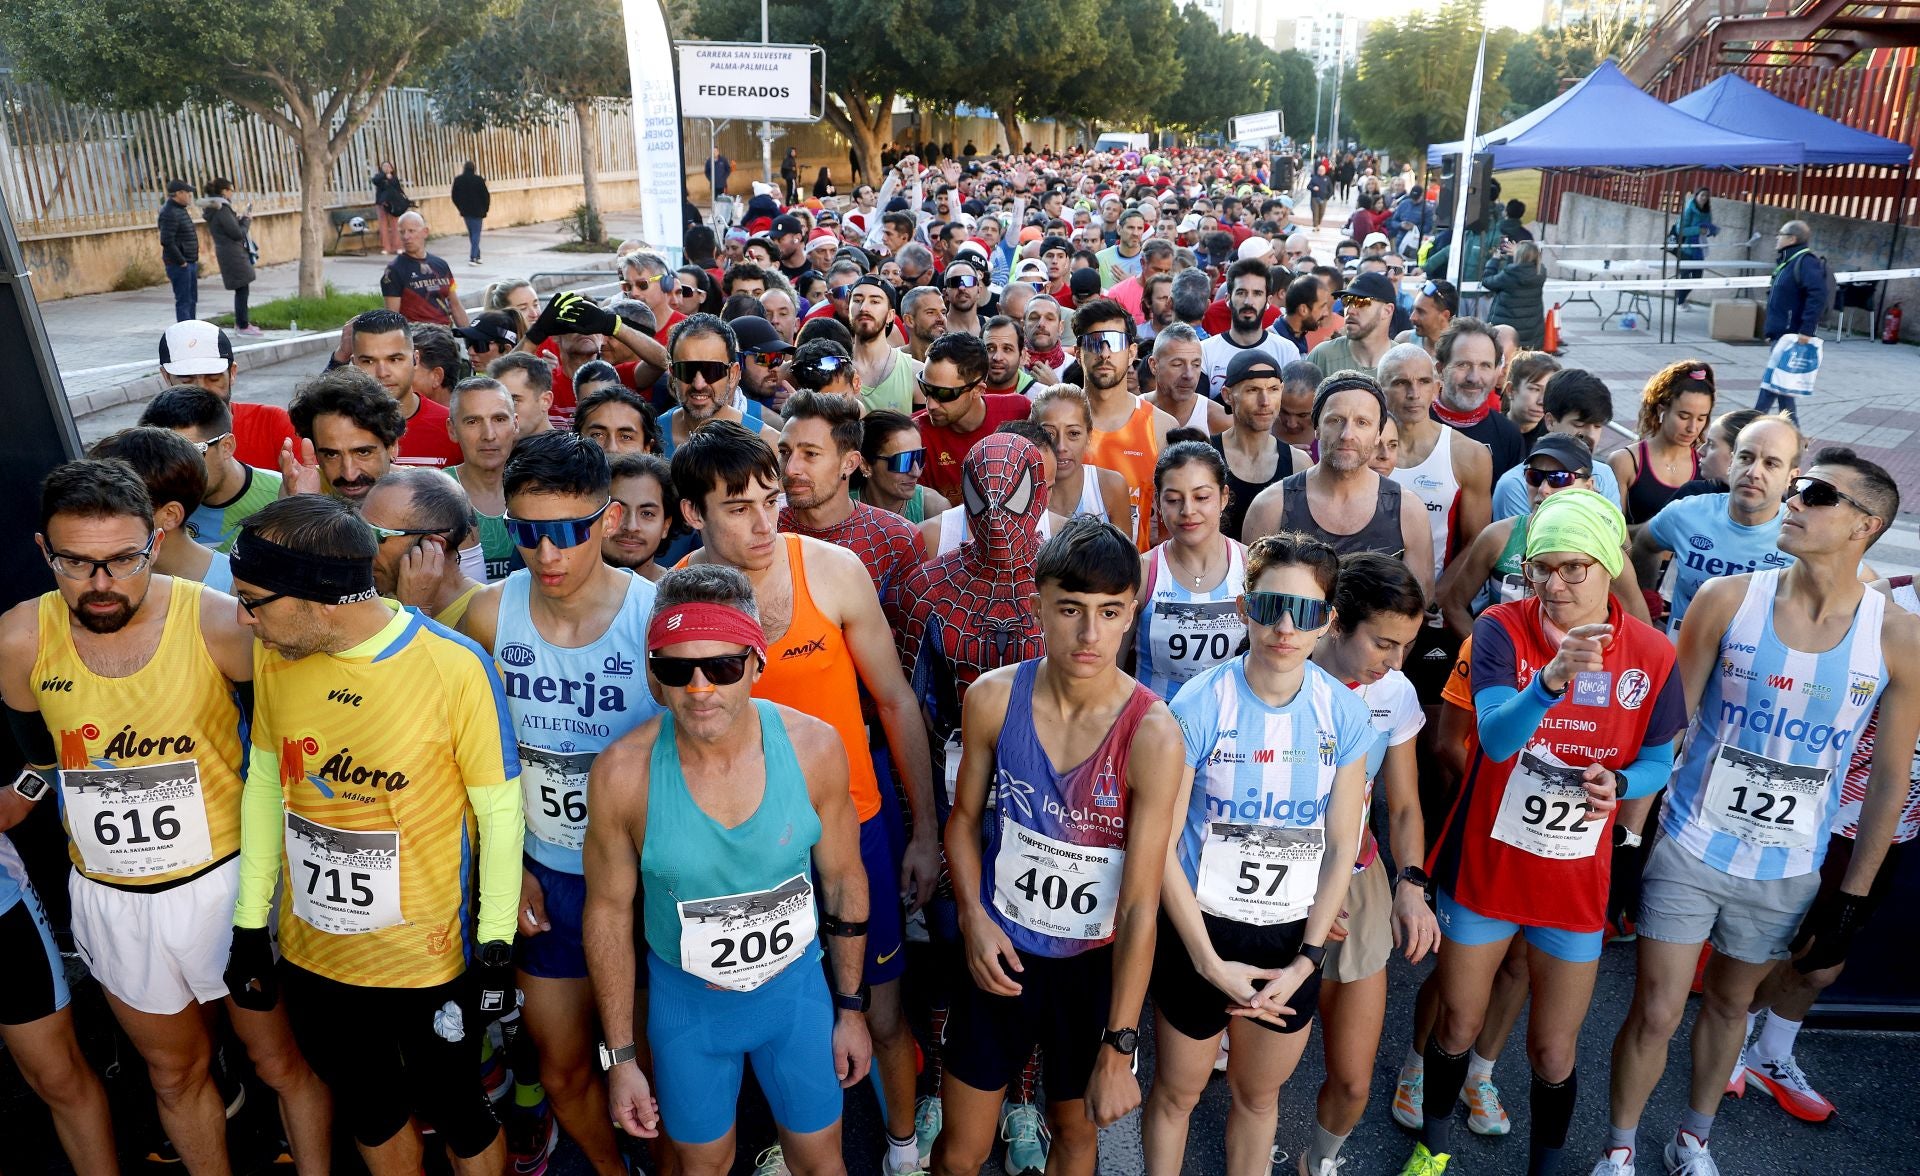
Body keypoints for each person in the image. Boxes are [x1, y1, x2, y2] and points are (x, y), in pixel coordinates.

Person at [2, 460, 332, 1174]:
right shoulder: (21, 639)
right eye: (76, 563)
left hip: (226, 888)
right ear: (42, 551)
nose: (100, 584)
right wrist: (30, 784)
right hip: (113, 898)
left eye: (122, 560)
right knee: (173, 1075)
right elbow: (35, 739)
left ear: (155, 541)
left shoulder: (216, 620)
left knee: (279, 1062)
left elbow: (302, 727)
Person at [1597, 450, 1920, 1176]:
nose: (1794, 500)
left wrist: (1850, 901)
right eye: (1797, 486)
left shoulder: (1897, 637)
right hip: (1690, 842)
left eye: (1817, 493)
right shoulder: (1726, 599)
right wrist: (1628, 838)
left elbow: (1889, 780)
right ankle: (1618, 1149)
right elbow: (1665, 730)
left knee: (1727, 1009)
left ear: (1864, 527)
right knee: (1656, 1009)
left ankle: (1693, 1140)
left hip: (1788, 868)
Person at [222, 494, 519, 1175]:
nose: (244, 619)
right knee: (372, 1108)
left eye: (254, 600)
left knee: (459, 1113)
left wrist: (496, 946)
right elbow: (268, 786)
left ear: (321, 597)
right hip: (315, 951)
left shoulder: (454, 665)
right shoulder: (277, 652)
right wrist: (248, 927)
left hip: (427, 957)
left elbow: (501, 816)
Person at [675, 422, 941, 1176]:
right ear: (694, 515)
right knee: (766, 1009)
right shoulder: (679, 598)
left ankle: (899, 1146)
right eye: (738, 508)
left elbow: (894, 701)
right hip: (754, 848)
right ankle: (783, 1145)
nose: (765, 524)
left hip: (855, 825)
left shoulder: (832, 570)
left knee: (883, 1008)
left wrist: (921, 831)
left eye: (770, 499)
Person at [1403, 489, 1687, 1176]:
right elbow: (1495, 741)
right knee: (1458, 1025)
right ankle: (1431, 1151)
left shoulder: (1650, 651)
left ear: (1606, 562)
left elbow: (1658, 758)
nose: (1554, 586)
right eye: (1540, 569)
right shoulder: (1502, 627)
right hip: (1489, 868)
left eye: (1573, 569)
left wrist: (1620, 786)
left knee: (1554, 1051)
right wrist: (1550, 683)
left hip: (1574, 881)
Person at [583, 564, 870, 1173]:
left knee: (822, 1163)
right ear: (653, 676)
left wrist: (851, 1008)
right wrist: (621, 1059)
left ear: (757, 663)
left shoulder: (815, 748)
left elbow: (844, 880)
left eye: (721, 667)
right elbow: (607, 914)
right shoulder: (622, 773)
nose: (700, 688)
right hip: (688, 1014)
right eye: (675, 669)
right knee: (702, 1168)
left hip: (796, 1000)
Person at [935, 517, 1183, 1176]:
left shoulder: (1154, 736)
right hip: (1002, 950)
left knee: (1076, 1136)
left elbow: (1139, 907)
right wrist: (972, 918)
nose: (1089, 634)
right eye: (1070, 609)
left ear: (1133, 612)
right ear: (1038, 601)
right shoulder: (992, 699)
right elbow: (962, 822)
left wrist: (1120, 1045)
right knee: (961, 1151)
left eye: (1109, 612)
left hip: (1089, 970)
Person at [448, 433, 661, 1176]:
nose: (549, 554)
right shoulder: (481, 616)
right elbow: (453, 755)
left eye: (570, 531)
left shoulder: (655, 615)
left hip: (645, 882)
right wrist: (503, 867)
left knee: (645, 1064)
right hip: (545, 879)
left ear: (606, 519)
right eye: (529, 533)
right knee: (566, 1067)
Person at [1139, 531, 1373, 1176]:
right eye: (1270, 608)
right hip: (1199, 929)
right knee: (1179, 1094)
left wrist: (1307, 960)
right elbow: (1156, 843)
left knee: (1258, 1094)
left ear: (1326, 621)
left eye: (1304, 612)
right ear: (1245, 607)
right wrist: (1208, 961)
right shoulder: (1198, 703)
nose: (1284, 628)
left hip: (1287, 943)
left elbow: (1338, 848)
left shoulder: (1342, 714)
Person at [1735, 572, 1920, 1123]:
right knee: (1792, 946)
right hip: (1834, 817)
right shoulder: (1888, 602)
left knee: (1825, 964)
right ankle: (1730, 1041)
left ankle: (1772, 1054)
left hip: (1898, 829)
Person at [1299, 553, 1441, 1176]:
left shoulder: (1395, 692)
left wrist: (1412, 884)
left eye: (1407, 646)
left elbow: (1404, 805)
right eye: (1383, 643)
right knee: (1254, 1079)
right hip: (1269, 886)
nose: (1395, 661)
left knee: (1353, 1080)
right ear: (1335, 623)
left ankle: (1317, 1162)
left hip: (1358, 884)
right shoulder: (1285, 673)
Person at [1241, 372, 1433, 594]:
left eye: (1362, 422)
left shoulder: (1407, 510)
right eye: (1335, 420)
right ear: (1317, 427)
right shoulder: (1271, 506)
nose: (1347, 434)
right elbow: (1252, 599)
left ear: (1378, 433)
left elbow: (1420, 599)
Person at [1629, 414, 1802, 636]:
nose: (1753, 472)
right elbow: (1645, 543)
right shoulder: (1687, 512)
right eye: (1746, 458)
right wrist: (1644, 602)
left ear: (1792, 477)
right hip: (1681, 659)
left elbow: (1855, 580)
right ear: (1732, 463)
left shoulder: (1804, 532)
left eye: (1771, 464)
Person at [777, 390, 922, 612]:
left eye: (811, 454)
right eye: (785, 451)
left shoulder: (897, 540)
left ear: (850, 463)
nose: (791, 468)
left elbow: (906, 638)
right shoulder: (764, 530)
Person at [1132, 441, 1247, 701]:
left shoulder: (1252, 567)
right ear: (1158, 503)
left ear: (1224, 497)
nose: (1188, 511)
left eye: (1201, 497)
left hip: (1230, 726)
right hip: (1157, 724)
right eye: (1173, 499)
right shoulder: (1141, 571)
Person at [1079, 300, 1179, 551]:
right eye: (1094, 343)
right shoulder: (1055, 423)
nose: (1104, 353)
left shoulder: (1160, 426)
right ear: (1078, 351)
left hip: (1135, 579)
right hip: (1066, 577)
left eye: (1114, 343)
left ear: (1132, 352)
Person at [138, 384, 283, 552]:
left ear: (227, 446)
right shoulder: (153, 506)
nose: (173, 469)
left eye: (188, 453)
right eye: (158, 457)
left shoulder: (281, 493)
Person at [86, 428, 232, 591]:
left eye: (114, 507)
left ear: (170, 515)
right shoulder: (92, 579)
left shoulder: (238, 587)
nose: (95, 520)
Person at [158, 320, 299, 468]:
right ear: (166, 377)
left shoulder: (272, 425)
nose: (202, 390)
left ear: (232, 373)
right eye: (187, 380)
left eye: (213, 378)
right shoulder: (152, 444)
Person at [1489, 369, 1623, 520]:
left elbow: (1620, 541)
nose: (1591, 436)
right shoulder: (1515, 485)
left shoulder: (1604, 474)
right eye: (1579, 424)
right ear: (1550, 422)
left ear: (1589, 484)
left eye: (1597, 426)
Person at [915, 331, 1031, 503]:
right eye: (925, 388)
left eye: (944, 393)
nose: (930, 404)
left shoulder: (1019, 412)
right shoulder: (915, 435)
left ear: (978, 390)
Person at [338, 308, 462, 468]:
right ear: (354, 364)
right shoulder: (334, 428)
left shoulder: (452, 427)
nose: (382, 373)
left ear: (415, 359)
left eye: (394, 359)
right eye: (369, 361)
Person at [361, 468, 486, 627]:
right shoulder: (378, 601)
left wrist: (416, 612)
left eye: (375, 534)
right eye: (359, 529)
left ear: (432, 546)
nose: (360, 547)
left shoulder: (486, 616)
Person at [1209, 352, 1311, 543]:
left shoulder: (1299, 463)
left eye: (1273, 389)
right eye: (1252, 390)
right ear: (1228, 395)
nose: (1265, 401)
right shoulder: (1205, 455)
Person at [1609, 361, 1714, 528]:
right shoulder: (1625, 462)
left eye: (1701, 418)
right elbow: (1612, 530)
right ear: (1661, 411)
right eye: (1684, 416)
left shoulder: (1707, 465)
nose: (1692, 428)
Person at [658, 314, 781, 456]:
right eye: (687, 370)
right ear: (672, 374)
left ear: (733, 374)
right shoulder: (653, 435)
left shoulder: (768, 445)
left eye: (712, 371)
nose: (699, 384)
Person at [285, 366, 405, 506]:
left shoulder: (424, 493)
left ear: (392, 447)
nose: (349, 475)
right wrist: (303, 505)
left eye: (363, 452)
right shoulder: (302, 487)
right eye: (331, 455)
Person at [445, 376, 524, 581]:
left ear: (515, 424)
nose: (489, 435)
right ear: (452, 429)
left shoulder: (539, 489)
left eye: (499, 419)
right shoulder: (436, 495)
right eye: (473, 421)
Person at [1432, 318, 1527, 480]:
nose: (1474, 377)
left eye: (1485, 365)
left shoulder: (1509, 436)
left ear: (1497, 371)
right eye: (1463, 364)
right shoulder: (1413, 424)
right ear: (1440, 369)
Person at [1033, 384, 1134, 528]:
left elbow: (1124, 550)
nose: (1061, 447)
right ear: (1033, 436)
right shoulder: (1022, 494)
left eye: (1073, 433)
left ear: (1089, 436)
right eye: (1048, 434)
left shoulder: (1111, 487)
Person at [1759, 221, 1829, 421]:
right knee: (1781, 389)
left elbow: (1818, 295)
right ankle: (1794, 437)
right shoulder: (1789, 261)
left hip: (1792, 335)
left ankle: (1748, 425)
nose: (1777, 237)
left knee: (1772, 385)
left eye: (1780, 233)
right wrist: (1771, 332)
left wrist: (1806, 329)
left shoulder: (1805, 262)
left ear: (1792, 238)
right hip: (1781, 334)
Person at [1199, 260, 1301, 394]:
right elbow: (1201, 409)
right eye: (1241, 293)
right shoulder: (1205, 351)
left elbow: (1290, 407)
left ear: (1268, 301)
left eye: (1257, 293)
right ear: (1228, 299)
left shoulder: (1286, 351)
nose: (1248, 301)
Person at [854, 408, 950, 525]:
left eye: (919, 457)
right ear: (865, 465)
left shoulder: (934, 508)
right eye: (903, 461)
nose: (916, 472)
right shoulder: (841, 510)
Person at [382, 211, 468, 327]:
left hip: (444, 335)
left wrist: (470, 339)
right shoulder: (394, 270)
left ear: (425, 232)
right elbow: (392, 317)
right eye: (402, 232)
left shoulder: (441, 265)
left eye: (411, 231)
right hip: (418, 338)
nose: (406, 237)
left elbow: (455, 305)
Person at [1307, 271, 1398, 379]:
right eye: (1346, 301)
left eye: (1360, 302)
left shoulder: (1404, 361)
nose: (1349, 310)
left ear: (1387, 311)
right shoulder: (1323, 356)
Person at [604, 452, 677, 580]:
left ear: (666, 525)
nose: (631, 526)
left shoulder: (683, 596)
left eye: (647, 513)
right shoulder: (564, 593)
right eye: (618, 511)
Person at [1147, 325, 1231, 436]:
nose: (1189, 375)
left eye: (1196, 365)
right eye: (1177, 364)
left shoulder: (1220, 421)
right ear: (1154, 365)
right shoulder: (1130, 413)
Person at [200, 178, 257, 335]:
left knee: (242, 288)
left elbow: (230, 228)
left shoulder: (217, 209)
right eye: (231, 190)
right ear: (224, 191)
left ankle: (242, 323)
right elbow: (237, 233)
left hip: (229, 252)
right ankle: (242, 325)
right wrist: (246, 220)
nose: (232, 193)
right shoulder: (222, 209)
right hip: (232, 253)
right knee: (242, 288)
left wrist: (239, 220)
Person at [1484, 241, 1547, 350]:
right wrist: (1519, 254)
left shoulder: (1511, 274)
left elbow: (1487, 281)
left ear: (1519, 255)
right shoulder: (1540, 273)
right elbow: (1524, 266)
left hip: (1508, 327)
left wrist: (1494, 260)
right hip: (1532, 329)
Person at [1501, 351, 1562, 450]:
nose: (1542, 401)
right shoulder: (1490, 432)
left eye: (1549, 391)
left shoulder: (1555, 438)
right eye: (1535, 389)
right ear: (1511, 390)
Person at [490, 351, 558, 440]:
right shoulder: (492, 449)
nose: (502, 412)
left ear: (545, 401)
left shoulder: (573, 452)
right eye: (496, 402)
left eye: (513, 401)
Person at [159, 178, 199, 322]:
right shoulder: (169, 212)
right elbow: (166, 241)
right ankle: (186, 336)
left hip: (189, 262)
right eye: (188, 193)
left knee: (192, 300)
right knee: (184, 301)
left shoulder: (179, 210)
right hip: (180, 265)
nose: (190, 196)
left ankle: (193, 331)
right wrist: (181, 262)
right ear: (179, 193)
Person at [1672, 187, 1717, 309]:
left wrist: (1710, 230)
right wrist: (1698, 230)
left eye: (1707, 196)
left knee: (1697, 278)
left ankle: (1680, 299)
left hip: (1699, 249)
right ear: (1696, 196)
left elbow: (1707, 227)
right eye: (1702, 195)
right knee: (1685, 277)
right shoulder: (1688, 210)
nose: (1704, 198)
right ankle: (1680, 301)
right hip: (1686, 249)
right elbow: (1680, 230)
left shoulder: (1707, 211)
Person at [451, 161, 490, 266]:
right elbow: (486, 196)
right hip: (478, 211)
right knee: (476, 234)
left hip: (465, 211)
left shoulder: (458, 180)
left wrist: (460, 207)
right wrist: (485, 208)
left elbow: (454, 196)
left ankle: (477, 255)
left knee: (472, 233)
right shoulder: (478, 180)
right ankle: (473, 258)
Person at [371, 161, 408, 253]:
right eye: (384, 166)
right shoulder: (379, 177)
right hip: (382, 204)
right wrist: (384, 175)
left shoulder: (394, 178)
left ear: (392, 168)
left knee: (395, 225)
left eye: (388, 166)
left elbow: (398, 190)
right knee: (383, 225)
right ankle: (386, 248)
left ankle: (398, 247)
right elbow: (375, 181)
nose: (386, 168)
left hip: (393, 204)